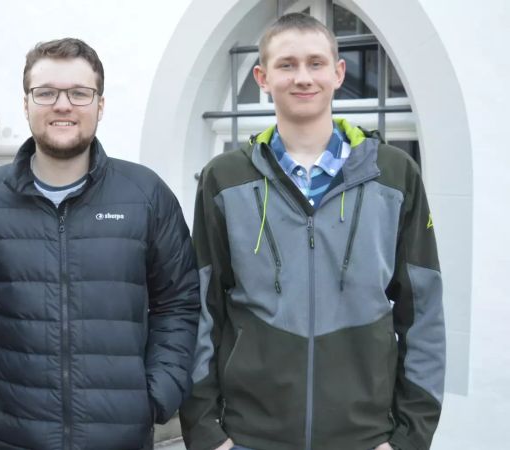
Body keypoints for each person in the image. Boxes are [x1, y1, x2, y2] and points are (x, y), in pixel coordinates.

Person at [180, 12, 445, 450]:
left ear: (338, 73)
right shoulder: (224, 179)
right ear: (262, 77)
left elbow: (424, 313)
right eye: (287, 65)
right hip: (250, 436)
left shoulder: (395, 175)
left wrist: (408, 440)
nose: (303, 77)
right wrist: (207, 433)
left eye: (316, 63)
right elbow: (202, 310)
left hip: (365, 438)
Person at [0, 38, 200, 449]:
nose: (63, 105)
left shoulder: (145, 195)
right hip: (11, 436)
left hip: (119, 436)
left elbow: (179, 302)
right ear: (26, 103)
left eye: (79, 93)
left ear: (100, 105)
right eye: (47, 92)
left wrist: (156, 395)